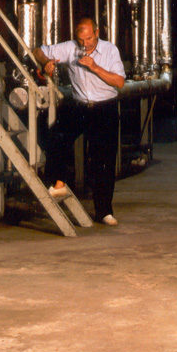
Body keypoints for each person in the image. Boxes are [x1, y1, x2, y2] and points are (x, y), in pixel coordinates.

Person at [33, 18, 125, 226]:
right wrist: (44, 62)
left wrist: (95, 68)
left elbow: (119, 82)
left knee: (103, 161)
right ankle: (59, 182)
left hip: (105, 108)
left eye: (89, 39)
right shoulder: (70, 48)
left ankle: (104, 212)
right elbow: (38, 50)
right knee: (56, 136)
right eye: (81, 40)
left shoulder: (110, 50)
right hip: (80, 105)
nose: (85, 44)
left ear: (97, 32)